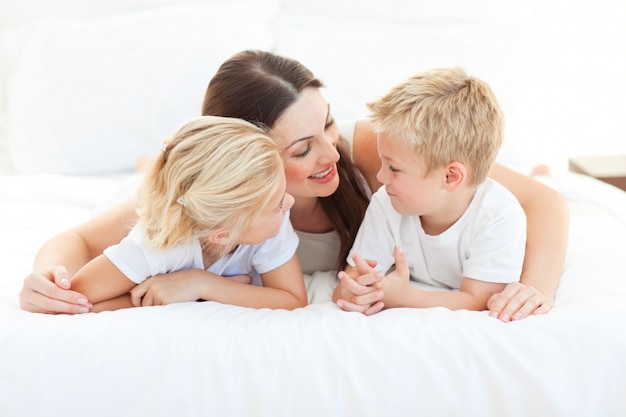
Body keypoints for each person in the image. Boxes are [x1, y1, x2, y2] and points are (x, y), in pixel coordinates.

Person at [19, 50, 568, 321]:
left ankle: (542, 159)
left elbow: (543, 204)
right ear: (244, 160)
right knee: (148, 179)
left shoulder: (370, 149)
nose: (331, 153)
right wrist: (48, 277)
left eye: (326, 122)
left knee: (536, 174)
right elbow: (80, 243)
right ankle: (145, 162)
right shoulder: (208, 194)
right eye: (301, 149)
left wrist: (535, 290)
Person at [334, 67, 526, 312]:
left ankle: (543, 174)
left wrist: (406, 297)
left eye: (393, 168)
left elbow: (478, 299)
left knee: (545, 183)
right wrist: (356, 291)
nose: (381, 177)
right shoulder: (387, 202)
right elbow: (352, 279)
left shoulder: (498, 216)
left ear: (450, 176)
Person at [70, 115, 307, 312]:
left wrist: (204, 285)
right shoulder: (153, 249)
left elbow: (293, 300)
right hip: (143, 202)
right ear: (222, 235)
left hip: (189, 195)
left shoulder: (267, 212)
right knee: (142, 188)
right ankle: (145, 169)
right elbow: (78, 300)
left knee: (172, 180)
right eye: (277, 205)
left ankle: (147, 165)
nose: (290, 202)